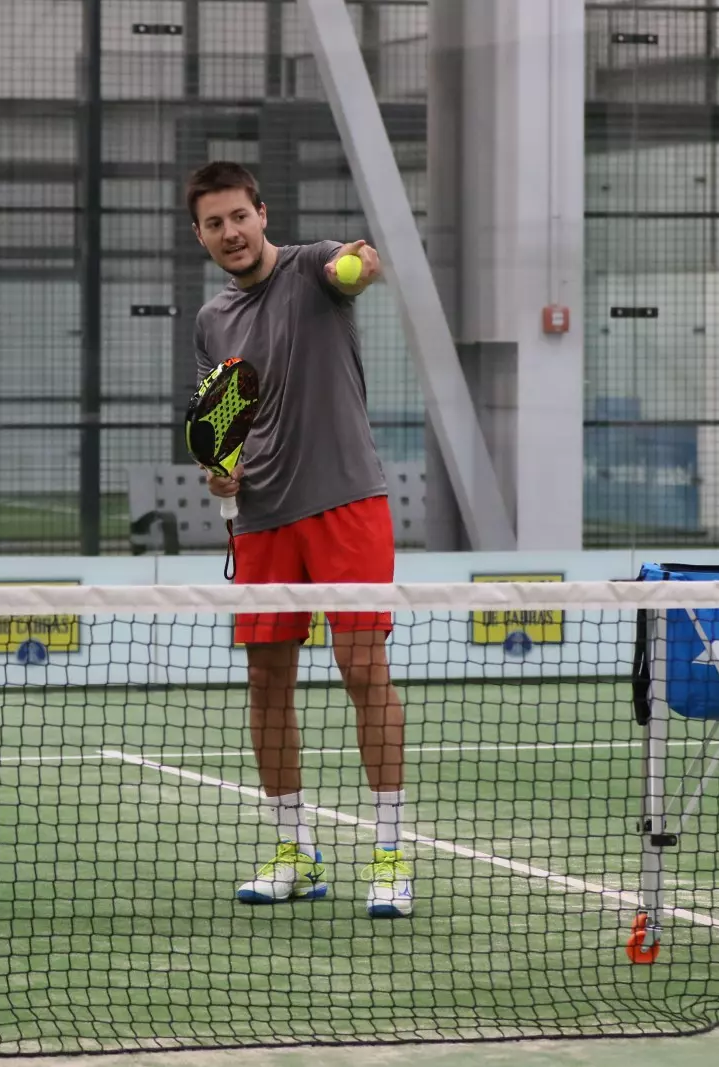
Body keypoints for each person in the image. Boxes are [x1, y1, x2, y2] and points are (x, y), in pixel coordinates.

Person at [187, 160, 412, 918]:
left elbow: (355, 268)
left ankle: (388, 853)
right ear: (201, 235)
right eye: (214, 223)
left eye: (239, 216)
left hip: (346, 500)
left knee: (361, 667)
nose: (230, 233)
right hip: (262, 515)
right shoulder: (211, 320)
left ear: (261, 211)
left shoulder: (315, 267)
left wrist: (361, 263)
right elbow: (223, 423)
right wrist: (222, 473)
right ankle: (294, 847)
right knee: (267, 681)